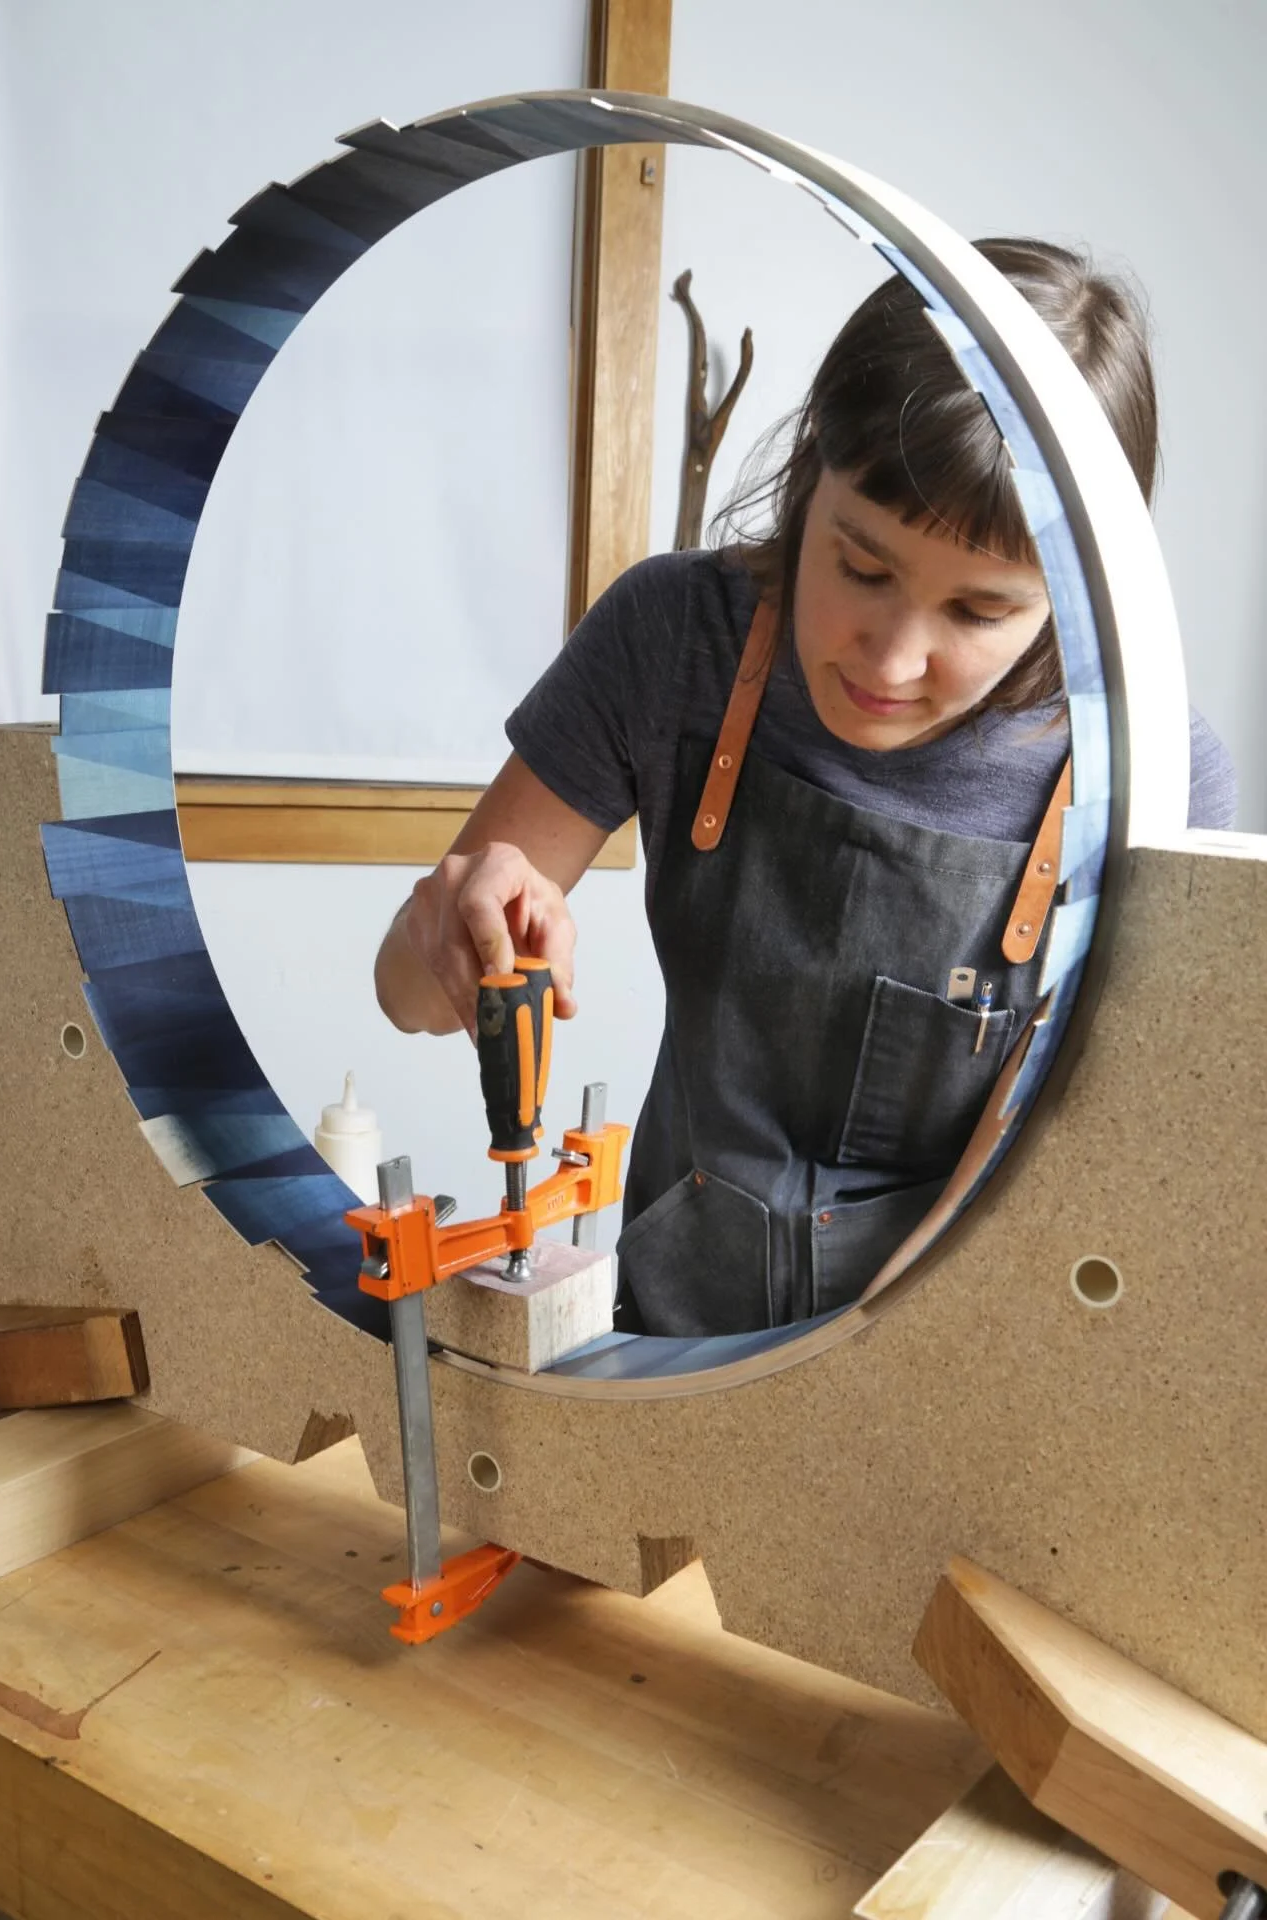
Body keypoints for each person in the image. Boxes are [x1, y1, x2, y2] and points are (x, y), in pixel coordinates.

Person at [374, 238, 1236, 1337]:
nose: (888, 662)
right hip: (668, 1349)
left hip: (954, 1369)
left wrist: (832, 1390)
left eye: (978, 613)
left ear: (1078, 595)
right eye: (862, 568)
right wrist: (448, 916)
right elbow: (404, 995)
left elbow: (1089, 1172)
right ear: (806, 475)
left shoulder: (1156, 780)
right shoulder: (673, 639)